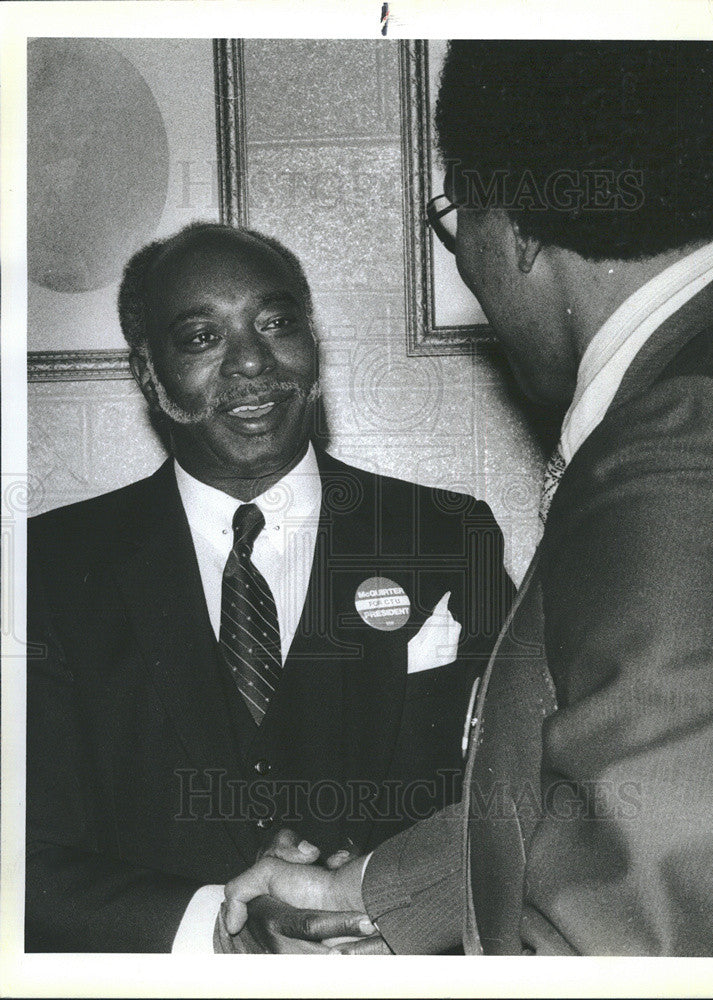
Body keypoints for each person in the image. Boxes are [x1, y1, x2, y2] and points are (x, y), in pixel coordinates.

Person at [219, 40, 713, 956]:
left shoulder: (681, 437)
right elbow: (622, 789)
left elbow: (626, 920)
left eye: (459, 216)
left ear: (519, 226)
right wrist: (368, 889)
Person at [25, 221, 515, 952]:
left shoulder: (445, 536)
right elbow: (20, 855)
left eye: (277, 324)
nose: (253, 361)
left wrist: (388, 896)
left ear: (315, 348)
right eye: (200, 337)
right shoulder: (50, 567)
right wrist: (215, 926)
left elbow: (521, 789)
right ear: (148, 374)